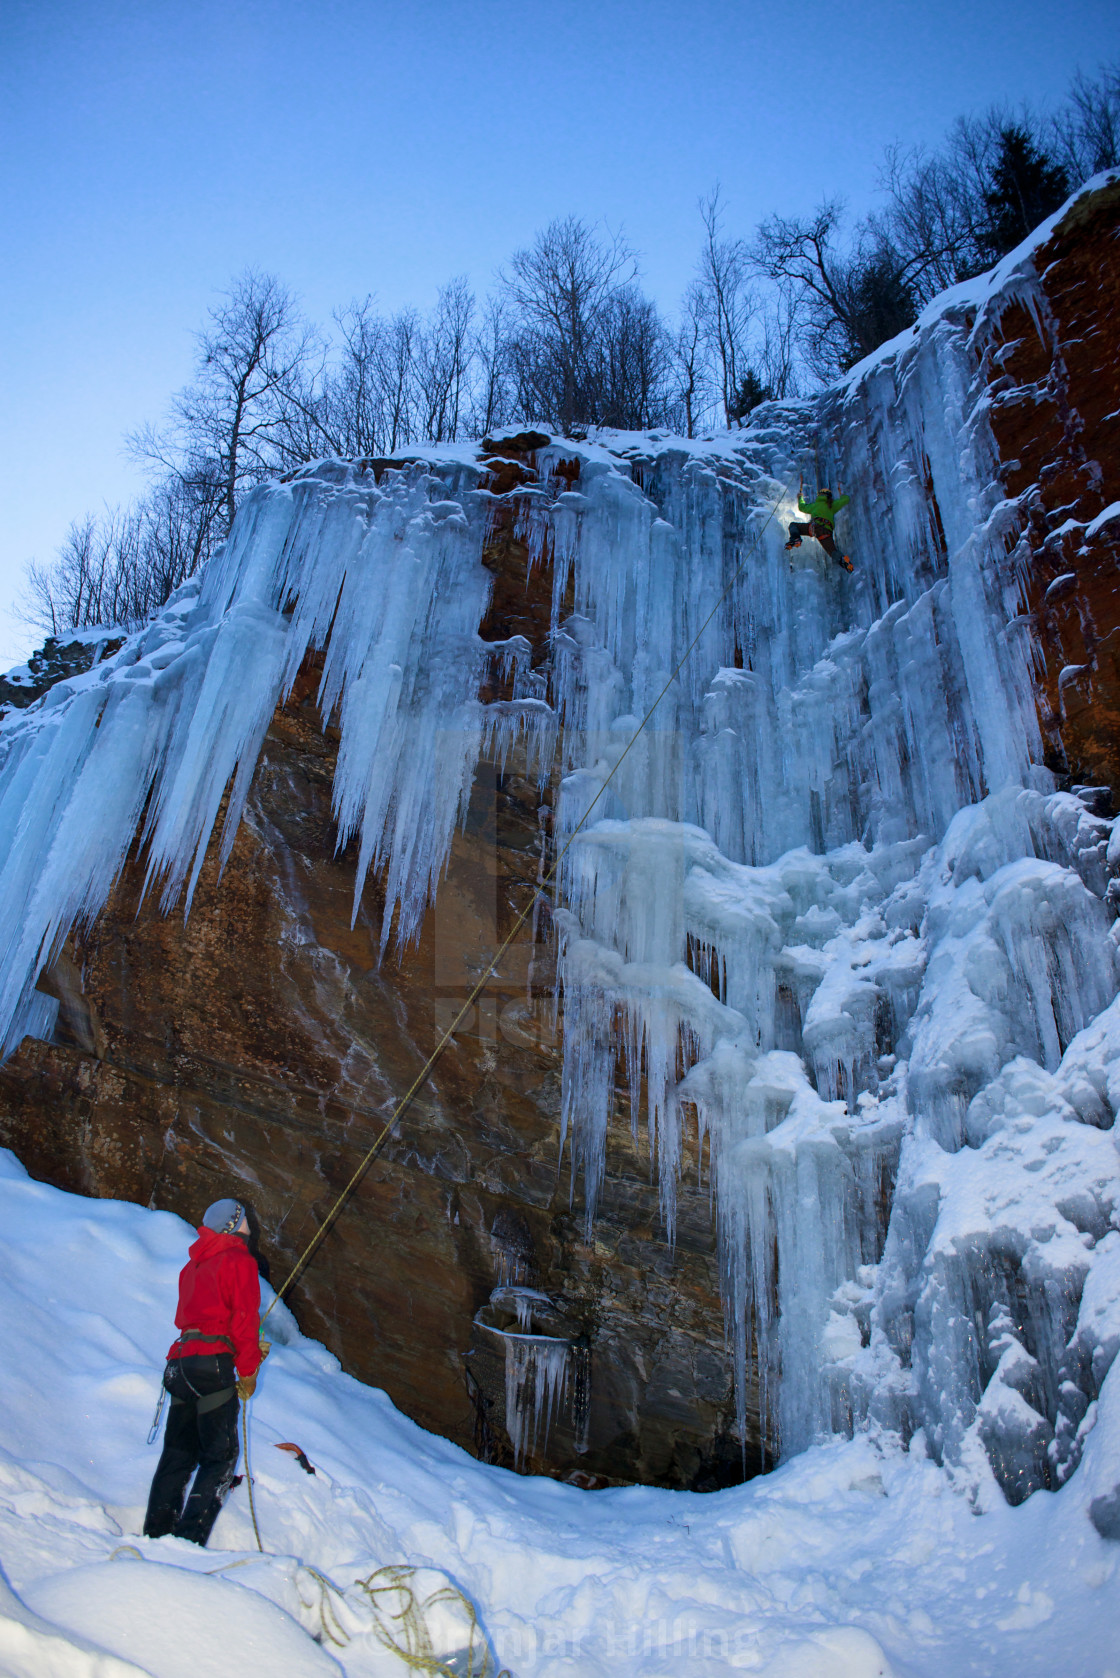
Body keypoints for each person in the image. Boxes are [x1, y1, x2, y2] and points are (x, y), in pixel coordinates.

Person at [144, 1197, 267, 1546]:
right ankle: (187, 1541)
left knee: (178, 1456)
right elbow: (244, 1319)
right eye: (244, 1219)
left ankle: (156, 1534)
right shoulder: (239, 1261)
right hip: (213, 1364)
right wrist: (247, 1370)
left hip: (181, 1363)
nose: (249, 1224)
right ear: (232, 1225)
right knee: (221, 1457)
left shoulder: (193, 1266)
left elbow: (200, 1317)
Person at [786, 480, 854, 572]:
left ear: (819, 496)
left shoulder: (815, 505)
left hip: (814, 528)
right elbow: (846, 499)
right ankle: (844, 561)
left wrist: (800, 498)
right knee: (832, 551)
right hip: (826, 532)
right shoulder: (832, 505)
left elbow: (802, 507)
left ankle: (796, 538)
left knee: (793, 525)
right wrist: (841, 493)